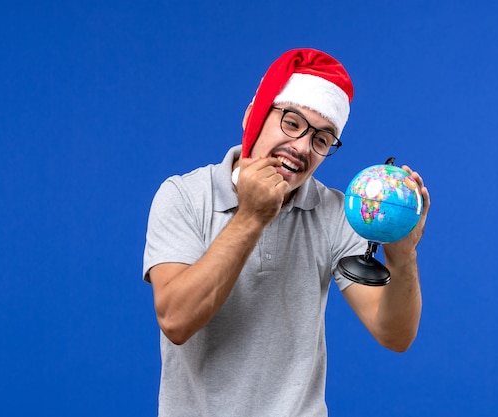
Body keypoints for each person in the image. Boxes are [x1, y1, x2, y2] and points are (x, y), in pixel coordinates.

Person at [143, 48, 430, 417]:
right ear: (254, 116)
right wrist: (251, 217)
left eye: (322, 139)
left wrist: (403, 256)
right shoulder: (183, 196)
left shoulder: (334, 213)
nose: (301, 148)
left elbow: (394, 335)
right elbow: (176, 321)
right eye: (292, 123)